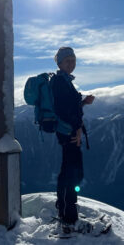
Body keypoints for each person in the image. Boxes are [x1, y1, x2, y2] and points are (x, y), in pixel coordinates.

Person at [51, 47, 95, 228]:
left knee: (69, 170)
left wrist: (83, 102)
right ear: (59, 63)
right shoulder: (60, 82)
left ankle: (65, 209)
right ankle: (69, 215)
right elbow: (65, 110)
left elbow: (70, 107)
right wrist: (76, 129)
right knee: (72, 172)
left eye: (73, 60)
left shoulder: (63, 81)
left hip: (66, 130)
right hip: (68, 132)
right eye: (67, 60)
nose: (71, 63)